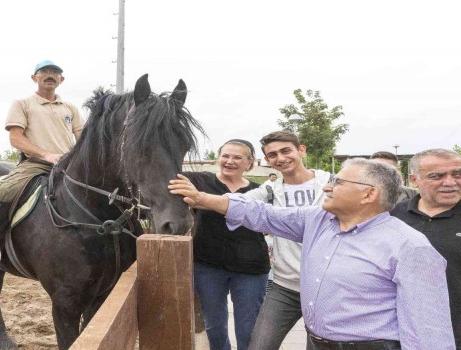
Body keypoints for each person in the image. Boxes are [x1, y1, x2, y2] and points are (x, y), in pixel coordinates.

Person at [169, 158, 455, 349]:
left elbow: (430, 333)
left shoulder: (409, 247)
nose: (327, 186)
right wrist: (203, 199)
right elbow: (263, 214)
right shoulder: (318, 220)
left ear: (369, 195)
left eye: (339, 182)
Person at [0, 59, 84, 271]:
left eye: (55, 72)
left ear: (62, 79)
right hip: (36, 164)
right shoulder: (23, 104)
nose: (50, 75)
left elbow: (83, 138)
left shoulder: (70, 108)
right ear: (34, 78)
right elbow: (16, 139)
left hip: (68, 166)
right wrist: (46, 155)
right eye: (44, 72)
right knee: (6, 190)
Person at [229, 131, 331, 350]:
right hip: (285, 286)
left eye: (286, 151)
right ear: (267, 161)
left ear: (301, 150)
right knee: (259, 346)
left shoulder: (332, 184)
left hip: (327, 287)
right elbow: (234, 204)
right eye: (273, 155)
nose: (281, 158)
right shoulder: (269, 190)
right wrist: (198, 199)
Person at [184, 139, 270, 350]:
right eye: (225, 156)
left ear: (249, 163)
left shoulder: (260, 191)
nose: (230, 161)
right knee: (214, 325)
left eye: (237, 157)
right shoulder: (197, 181)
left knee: (248, 328)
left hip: (251, 268)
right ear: (218, 158)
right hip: (208, 266)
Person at [390, 148, 461, 348]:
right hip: (402, 334)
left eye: (458, 174)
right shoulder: (393, 216)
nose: (450, 182)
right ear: (413, 180)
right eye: (436, 176)